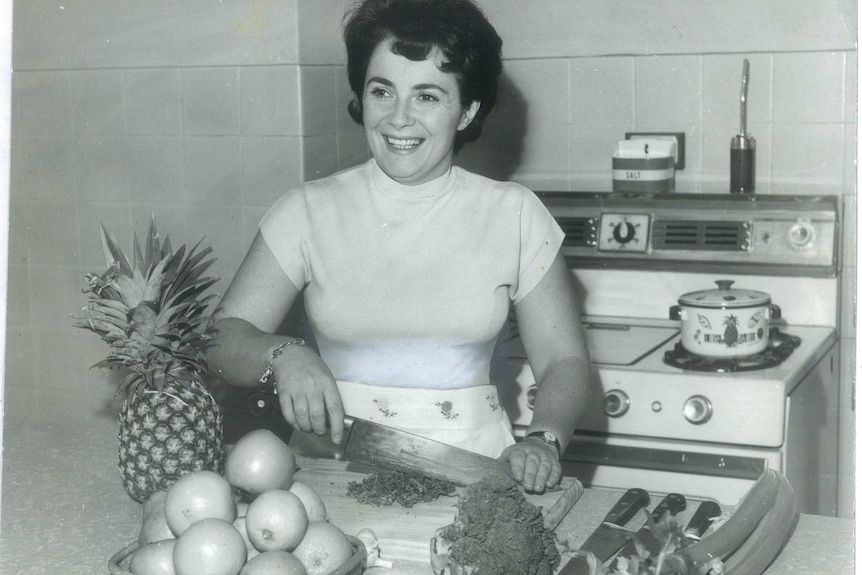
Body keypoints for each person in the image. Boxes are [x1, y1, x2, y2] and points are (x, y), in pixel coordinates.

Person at [208, 0, 592, 493]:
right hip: (327, 479)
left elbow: (565, 361)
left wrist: (544, 439)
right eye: (382, 91)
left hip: (474, 476)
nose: (399, 119)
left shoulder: (514, 213)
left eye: (427, 96)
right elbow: (218, 340)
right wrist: (283, 354)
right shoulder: (305, 210)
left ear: (468, 109)